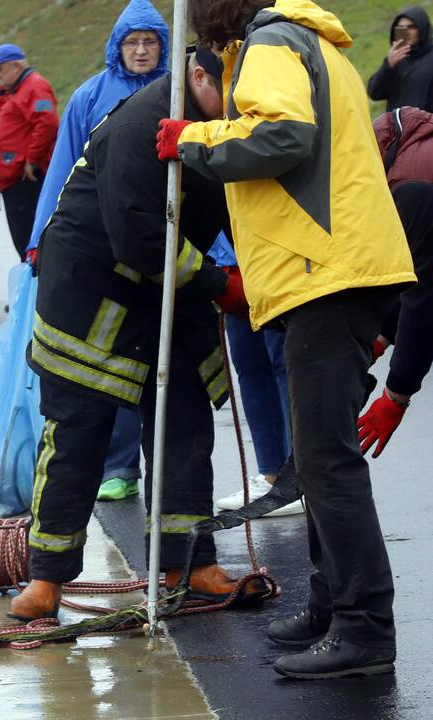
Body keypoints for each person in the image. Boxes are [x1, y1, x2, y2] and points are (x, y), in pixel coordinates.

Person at [161, 0, 415, 680]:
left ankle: (365, 629)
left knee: (327, 462)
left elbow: (284, 139)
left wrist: (194, 140)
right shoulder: (311, 41)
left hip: (325, 273)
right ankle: (333, 606)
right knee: (315, 455)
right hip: (345, 266)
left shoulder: (270, 45)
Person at [10, 49, 262, 622]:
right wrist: (222, 283)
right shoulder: (134, 128)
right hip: (91, 301)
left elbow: (243, 212)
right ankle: (46, 579)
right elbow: (139, 238)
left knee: (185, 429)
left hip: (168, 297)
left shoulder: (225, 129)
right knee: (78, 436)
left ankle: (188, 566)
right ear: (200, 77)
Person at [24, 0, 170, 503]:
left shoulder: (178, 94)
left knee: (159, 363)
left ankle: (161, 471)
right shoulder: (90, 95)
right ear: (118, 47)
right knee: (109, 362)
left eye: (150, 41)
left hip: (159, 243)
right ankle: (118, 466)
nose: (142, 50)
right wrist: (41, 237)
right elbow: (64, 168)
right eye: (133, 42)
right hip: (99, 250)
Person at [207, 231, 303, 517]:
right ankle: (271, 474)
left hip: (275, 255)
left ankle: (299, 479)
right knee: (250, 367)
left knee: (284, 364)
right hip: (231, 263)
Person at [358, 107, 433, 458]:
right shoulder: (413, 154)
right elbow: (419, 271)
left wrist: (396, 395)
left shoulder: (412, 186)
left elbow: (424, 300)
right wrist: (383, 336)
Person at [0, 44, 59, 259]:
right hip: (11, 177)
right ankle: (31, 279)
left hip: (25, 177)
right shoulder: (12, 90)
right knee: (21, 238)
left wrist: (32, 160)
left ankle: (35, 282)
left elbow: (48, 123)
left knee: (28, 238)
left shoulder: (34, 86)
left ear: (15, 66)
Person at [367, 6, 433, 113]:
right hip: (397, 128)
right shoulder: (396, 60)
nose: (407, 32)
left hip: (425, 127)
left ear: (422, 28)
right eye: (401, 28)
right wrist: (388, 66)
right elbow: (374, 93)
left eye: (412, 27)